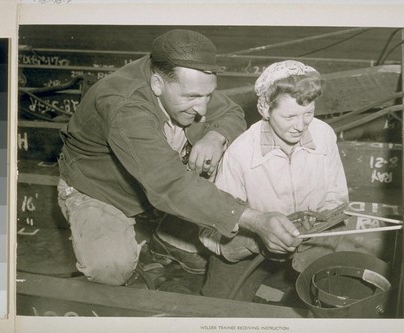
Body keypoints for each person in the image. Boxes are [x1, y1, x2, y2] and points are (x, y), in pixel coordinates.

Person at [57, 29, 303, 286]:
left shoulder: (180, 75)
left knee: (224, 150)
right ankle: (158, 232)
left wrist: (215, 137)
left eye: (208, 95)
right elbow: (170, 183)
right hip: (102, 192)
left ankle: (168, 237)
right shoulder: (125, 106)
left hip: (154, 186)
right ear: (156, 84)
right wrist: (256, 219)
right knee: (110, 269)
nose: (202, 109)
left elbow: (231, 112)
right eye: (193, 98)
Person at [199, 60, 349, 300]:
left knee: (334, 300)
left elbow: (337, 199)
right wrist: (256, 240)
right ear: (264, 107)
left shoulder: (323, 135)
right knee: (217, 306)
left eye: (308, 113)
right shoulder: (240, 153)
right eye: (289, 116)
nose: (300, 126)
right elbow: (211, 232)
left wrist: (320, 225)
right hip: (252, 249)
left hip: (313, 243)